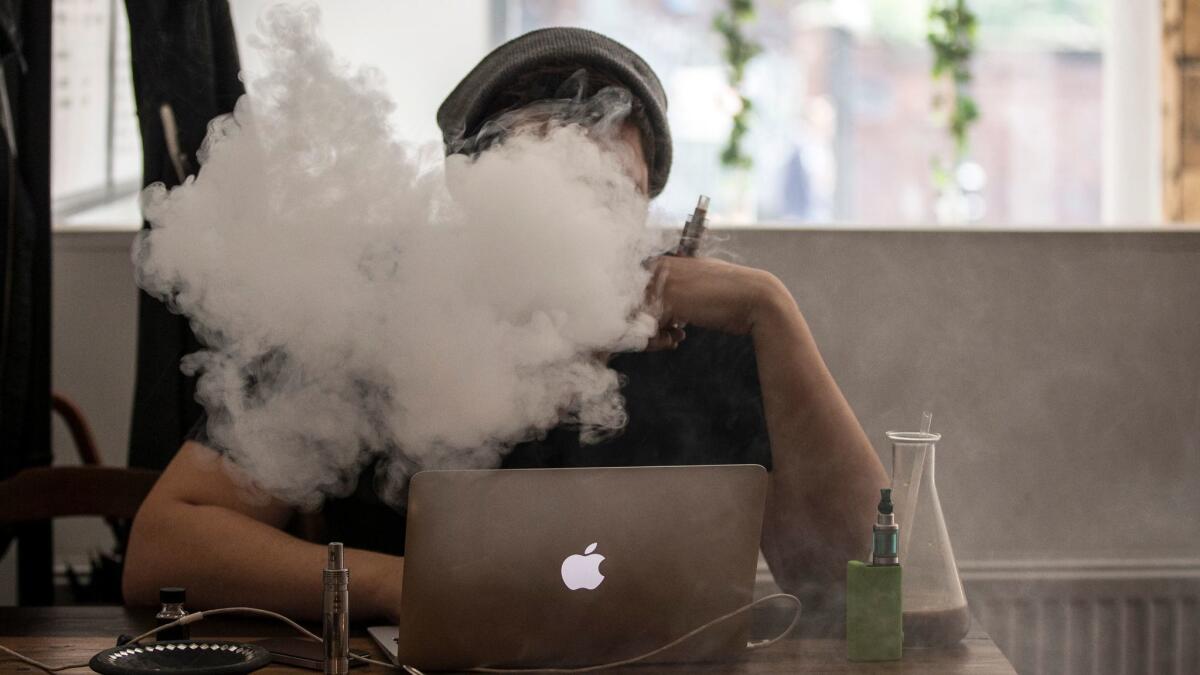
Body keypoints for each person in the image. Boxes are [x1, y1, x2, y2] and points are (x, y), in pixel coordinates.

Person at [123, 27, 887, 621]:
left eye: (614, 196)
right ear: (470, 190)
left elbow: (863, 585)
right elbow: (164, 546)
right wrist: (405, 586)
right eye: (555, 185)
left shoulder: (700, 330)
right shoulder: (362, 313)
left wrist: (772, 312)